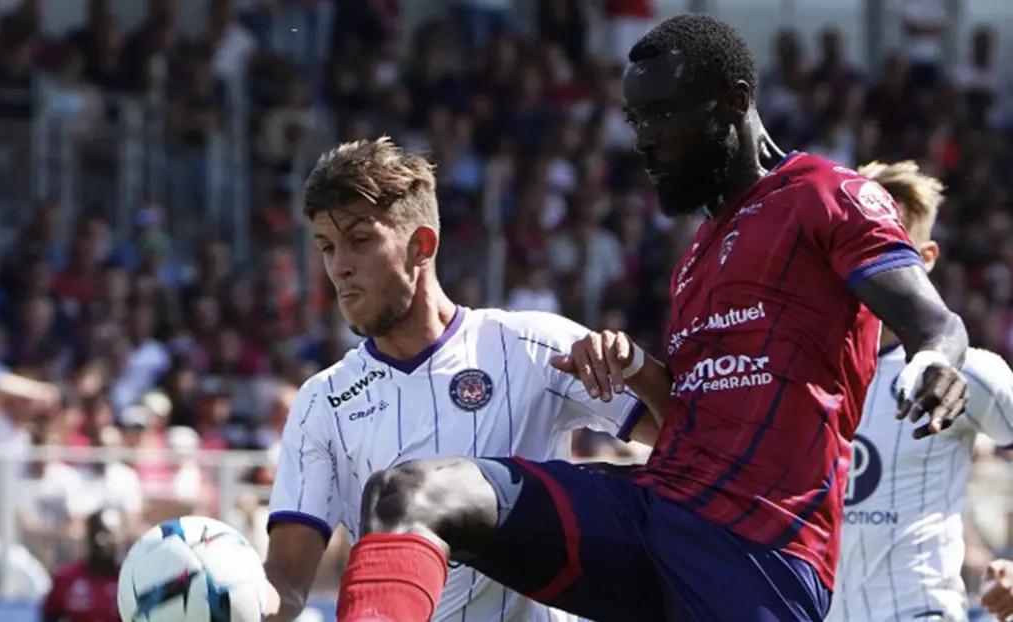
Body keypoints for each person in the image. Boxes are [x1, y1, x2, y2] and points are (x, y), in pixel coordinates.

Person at [336, 14, 970, 622]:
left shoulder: (827, 195)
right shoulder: (696, 254)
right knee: (409, 495)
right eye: (636, 119)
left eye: (661, 115)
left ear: (731, 101)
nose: (642, 140)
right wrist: (637, 368)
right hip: (654, 507)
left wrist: (937, 361)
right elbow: (694, 412)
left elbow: (934, 323)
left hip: (756, 548)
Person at [263, 137, 656, 622]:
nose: (339, 265)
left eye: (360, 241)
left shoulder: (533, 347)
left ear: (421, 245)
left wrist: (636, 368)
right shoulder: (323, 402)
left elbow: (686, 437)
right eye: (326, 247)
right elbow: (285, 583)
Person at [829, 161, 1013, 622]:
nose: (869, 271)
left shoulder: (968, 371)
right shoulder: (807, 374)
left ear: (926, 258)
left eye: (891, 252)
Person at [41, 508, 126, 622]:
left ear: (122, 535)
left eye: (108, 533)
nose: (100, 540)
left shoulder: (134, 581)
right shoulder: (66, 578)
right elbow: (49, 615)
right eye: (95, 532)